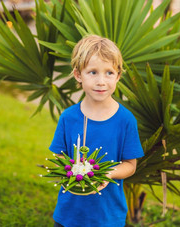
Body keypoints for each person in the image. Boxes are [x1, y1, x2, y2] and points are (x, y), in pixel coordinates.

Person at [49, 35, 144, 227]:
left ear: (118, 76)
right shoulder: (68, 117)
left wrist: (106, 174)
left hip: (108, 217)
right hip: (69, 214)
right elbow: (59, 155)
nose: (101, 81)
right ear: (78, 75)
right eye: (93, 72)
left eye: (109, 73)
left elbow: (130, 165)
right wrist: (74, 170)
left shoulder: (126, 121)